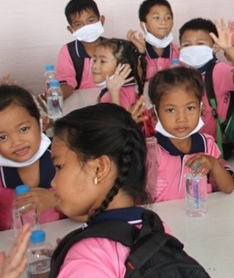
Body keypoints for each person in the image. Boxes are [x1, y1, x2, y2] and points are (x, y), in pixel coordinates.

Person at [49, 103, 160, 275]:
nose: (53, 183)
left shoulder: (86, 260)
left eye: (59, 166)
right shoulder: (155, 227)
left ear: (99, 168)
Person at [146, 67, 234, 202]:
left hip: (201, 214)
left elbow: (229, 187)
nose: (181, 119)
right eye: (170, 110)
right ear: (154, 114)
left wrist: (214, 164)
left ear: (202, 110)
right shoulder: (150, 151)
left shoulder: (207, 144)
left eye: (190, 108)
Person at [177, 18, 234, 138]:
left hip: (214, 142)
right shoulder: (178, 73)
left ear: (215, 47)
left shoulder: (218, 70)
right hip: (187, 139)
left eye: (200, 44)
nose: (193, 49)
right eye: (186, 45)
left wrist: (229, 49)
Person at [0, 85, 61, 231]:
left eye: (24, 129)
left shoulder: (62, 161)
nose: (17, 142)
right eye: (2, 137)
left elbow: (88, 210)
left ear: (41, 123)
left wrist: (55, 200)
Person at [56, 0, 106, 98]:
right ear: (71, 29)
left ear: (101, 20)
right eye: (79, 24)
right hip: (80, 103)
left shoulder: (115, 48)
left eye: (91, 21)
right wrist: (56, 95)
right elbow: (66, 82)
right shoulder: (68, 51)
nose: (86, 28)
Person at [127, 0, 180, 80]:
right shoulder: (135, 51)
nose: (163, 22)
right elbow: (135, 80)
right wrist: (140, 53)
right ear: (143, 25)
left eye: (168, 18)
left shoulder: (177, 51)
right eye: (156, 18)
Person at [93, 38, 146, 112]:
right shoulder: (127, 89)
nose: (94, 66)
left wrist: (114, 94)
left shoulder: (114, 94)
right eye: (94, 60)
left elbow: (117, 119)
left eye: (102, 61)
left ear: (124, 68)